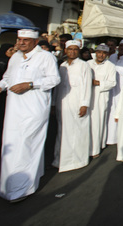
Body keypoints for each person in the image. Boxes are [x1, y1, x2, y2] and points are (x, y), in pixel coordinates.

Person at [0, 28, 60, 202]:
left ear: (35, 42)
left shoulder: (46, 57)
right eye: (19, 39)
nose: (20, 43)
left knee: (26, 145)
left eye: (25, 40)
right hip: (13, 109)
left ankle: (23, 189)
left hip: (34, 110)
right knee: (11, 145)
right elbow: (8, 77)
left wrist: (30, 84)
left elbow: (54, 79)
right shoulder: (14, 57)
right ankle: (7, 187)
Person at [52, 40, 92, 172]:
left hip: (76, 104)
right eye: (70, 49)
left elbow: (87, 86)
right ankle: (59, 160)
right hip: (61, 104)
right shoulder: (62, 66)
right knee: (61, 132)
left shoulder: (83, 66)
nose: (72, 52)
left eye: (75, 49)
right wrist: (53, 103)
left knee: (76, 133)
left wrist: (84, 104)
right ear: (65, 50)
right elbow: (57, 87)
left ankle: (76, 161)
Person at [88, 44, 117, 158]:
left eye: (104, 53)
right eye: (99, 52)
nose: (101, 55)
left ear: (107, 55)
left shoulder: (110, 66)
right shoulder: (87, 64)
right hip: (87, 95)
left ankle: (95, 148)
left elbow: (112, 83)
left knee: (98, 122)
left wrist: (98, 83)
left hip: (101, 97)